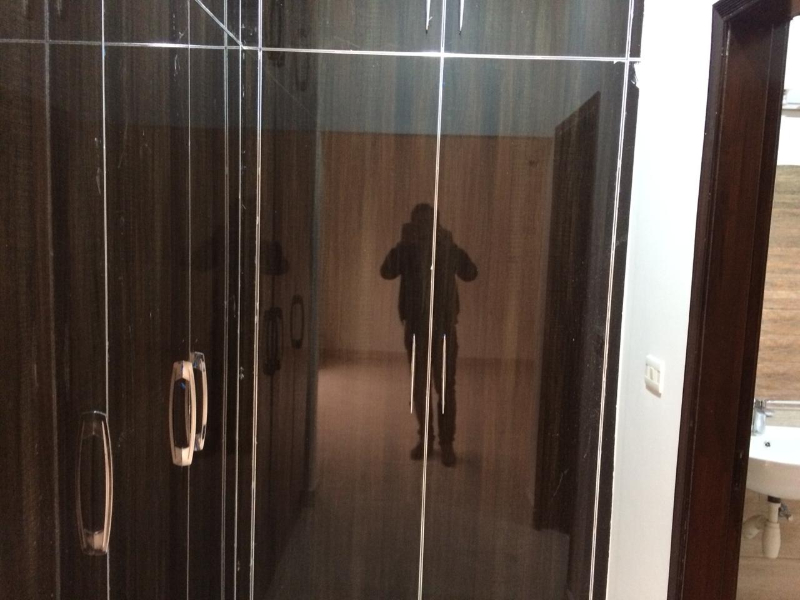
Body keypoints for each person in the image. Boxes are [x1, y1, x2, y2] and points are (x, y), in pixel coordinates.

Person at [380, 203, 477, 467]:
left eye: (430, 224)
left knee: (445, 388)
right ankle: (426, 439)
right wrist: (402, 245)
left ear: (437, 225)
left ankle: (446, 443)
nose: (425, 230)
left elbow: (470, 273)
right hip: (416, 329)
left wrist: (451, 248)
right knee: (421, 388)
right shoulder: (407, 251)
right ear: (413, 226)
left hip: (444, 329)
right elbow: (386, 272)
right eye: (421, 224)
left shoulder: (447, 249)